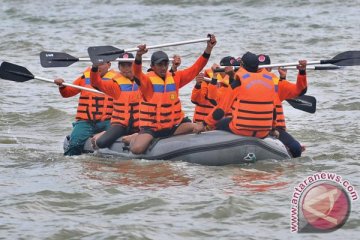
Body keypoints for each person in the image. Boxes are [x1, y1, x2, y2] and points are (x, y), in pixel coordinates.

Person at [127, 34, 217, 154]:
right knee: (137, 149)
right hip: (152, 128)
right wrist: (139, 56)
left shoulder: (175, 78)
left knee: (195, 127)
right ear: (152, 66)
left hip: (173, 125)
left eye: (165, 64)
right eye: (160, 65)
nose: (163, 68)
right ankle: (133, 137)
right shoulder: (147, 82)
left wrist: (209, 48)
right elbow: (136, 73)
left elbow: (196, 68)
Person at [193, 51, 278, 139]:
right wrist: (273, 129)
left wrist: (204, 124)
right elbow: (274, 111)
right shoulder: (270, 83)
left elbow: (221, 109)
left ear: (241, 65)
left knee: (219, 123)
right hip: (263, 132)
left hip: (242, 130)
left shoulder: (237, 83)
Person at [54, 62, 116, 156]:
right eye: (97, 64)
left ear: (109, 64)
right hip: (86, 122)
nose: (99, 67)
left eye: (102, 64)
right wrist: (62, 86)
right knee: (75, 144)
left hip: (108, 121)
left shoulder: (117, 79)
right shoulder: (85, 78)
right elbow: (67, 93)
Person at [257, 54, 307, 157]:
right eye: (259, 68)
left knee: (296, 148)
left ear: (270, 69)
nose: (262, 71)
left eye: (264, 68)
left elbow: (299, 90)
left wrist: (301, 71)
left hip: (275, 130)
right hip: (254, 127)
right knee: (296, 148)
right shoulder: (244, 82)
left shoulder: (277, 84)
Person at [90, 52, 141, 149]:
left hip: (139, 123)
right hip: (120, 124)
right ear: (119, 67)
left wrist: (173, 69)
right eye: (123, 65)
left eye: (129, 65)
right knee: (101, 143)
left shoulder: (142, 81)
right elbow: (95, 83)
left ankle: (135, 136)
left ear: (134, 65)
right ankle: (104, 133)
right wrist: (94, 67)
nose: (126, 68)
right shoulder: (114, 84)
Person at [191, 56, 239, 122]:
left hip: (223, 122)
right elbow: (195, 99)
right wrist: (198, 85)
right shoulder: (207, 80)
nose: (235, 72)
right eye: (234, 69)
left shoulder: (237, 82)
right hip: (205, 123)